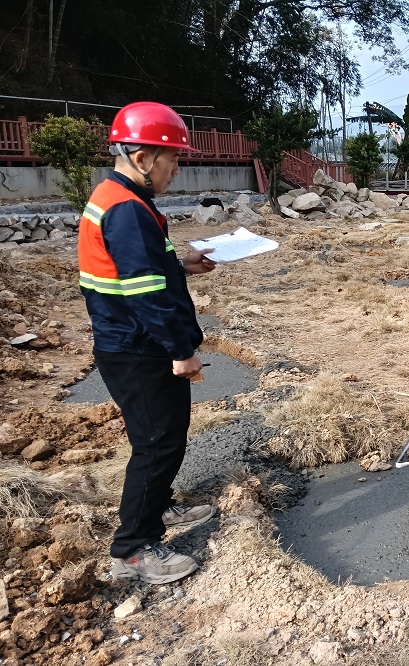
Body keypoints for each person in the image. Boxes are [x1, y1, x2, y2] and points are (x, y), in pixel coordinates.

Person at [78, 101, 219, 584]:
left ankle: (157, 508)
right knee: (157, 444)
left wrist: (181, 266)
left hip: (131, 340)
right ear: (142, 158)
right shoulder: (126, 209)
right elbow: (147, 294)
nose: (176, 170)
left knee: (166, 436)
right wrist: (181, 351)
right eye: (172, 159)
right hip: (137, 347)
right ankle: (133, 549)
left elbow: (137, 269)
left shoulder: (118, 197)